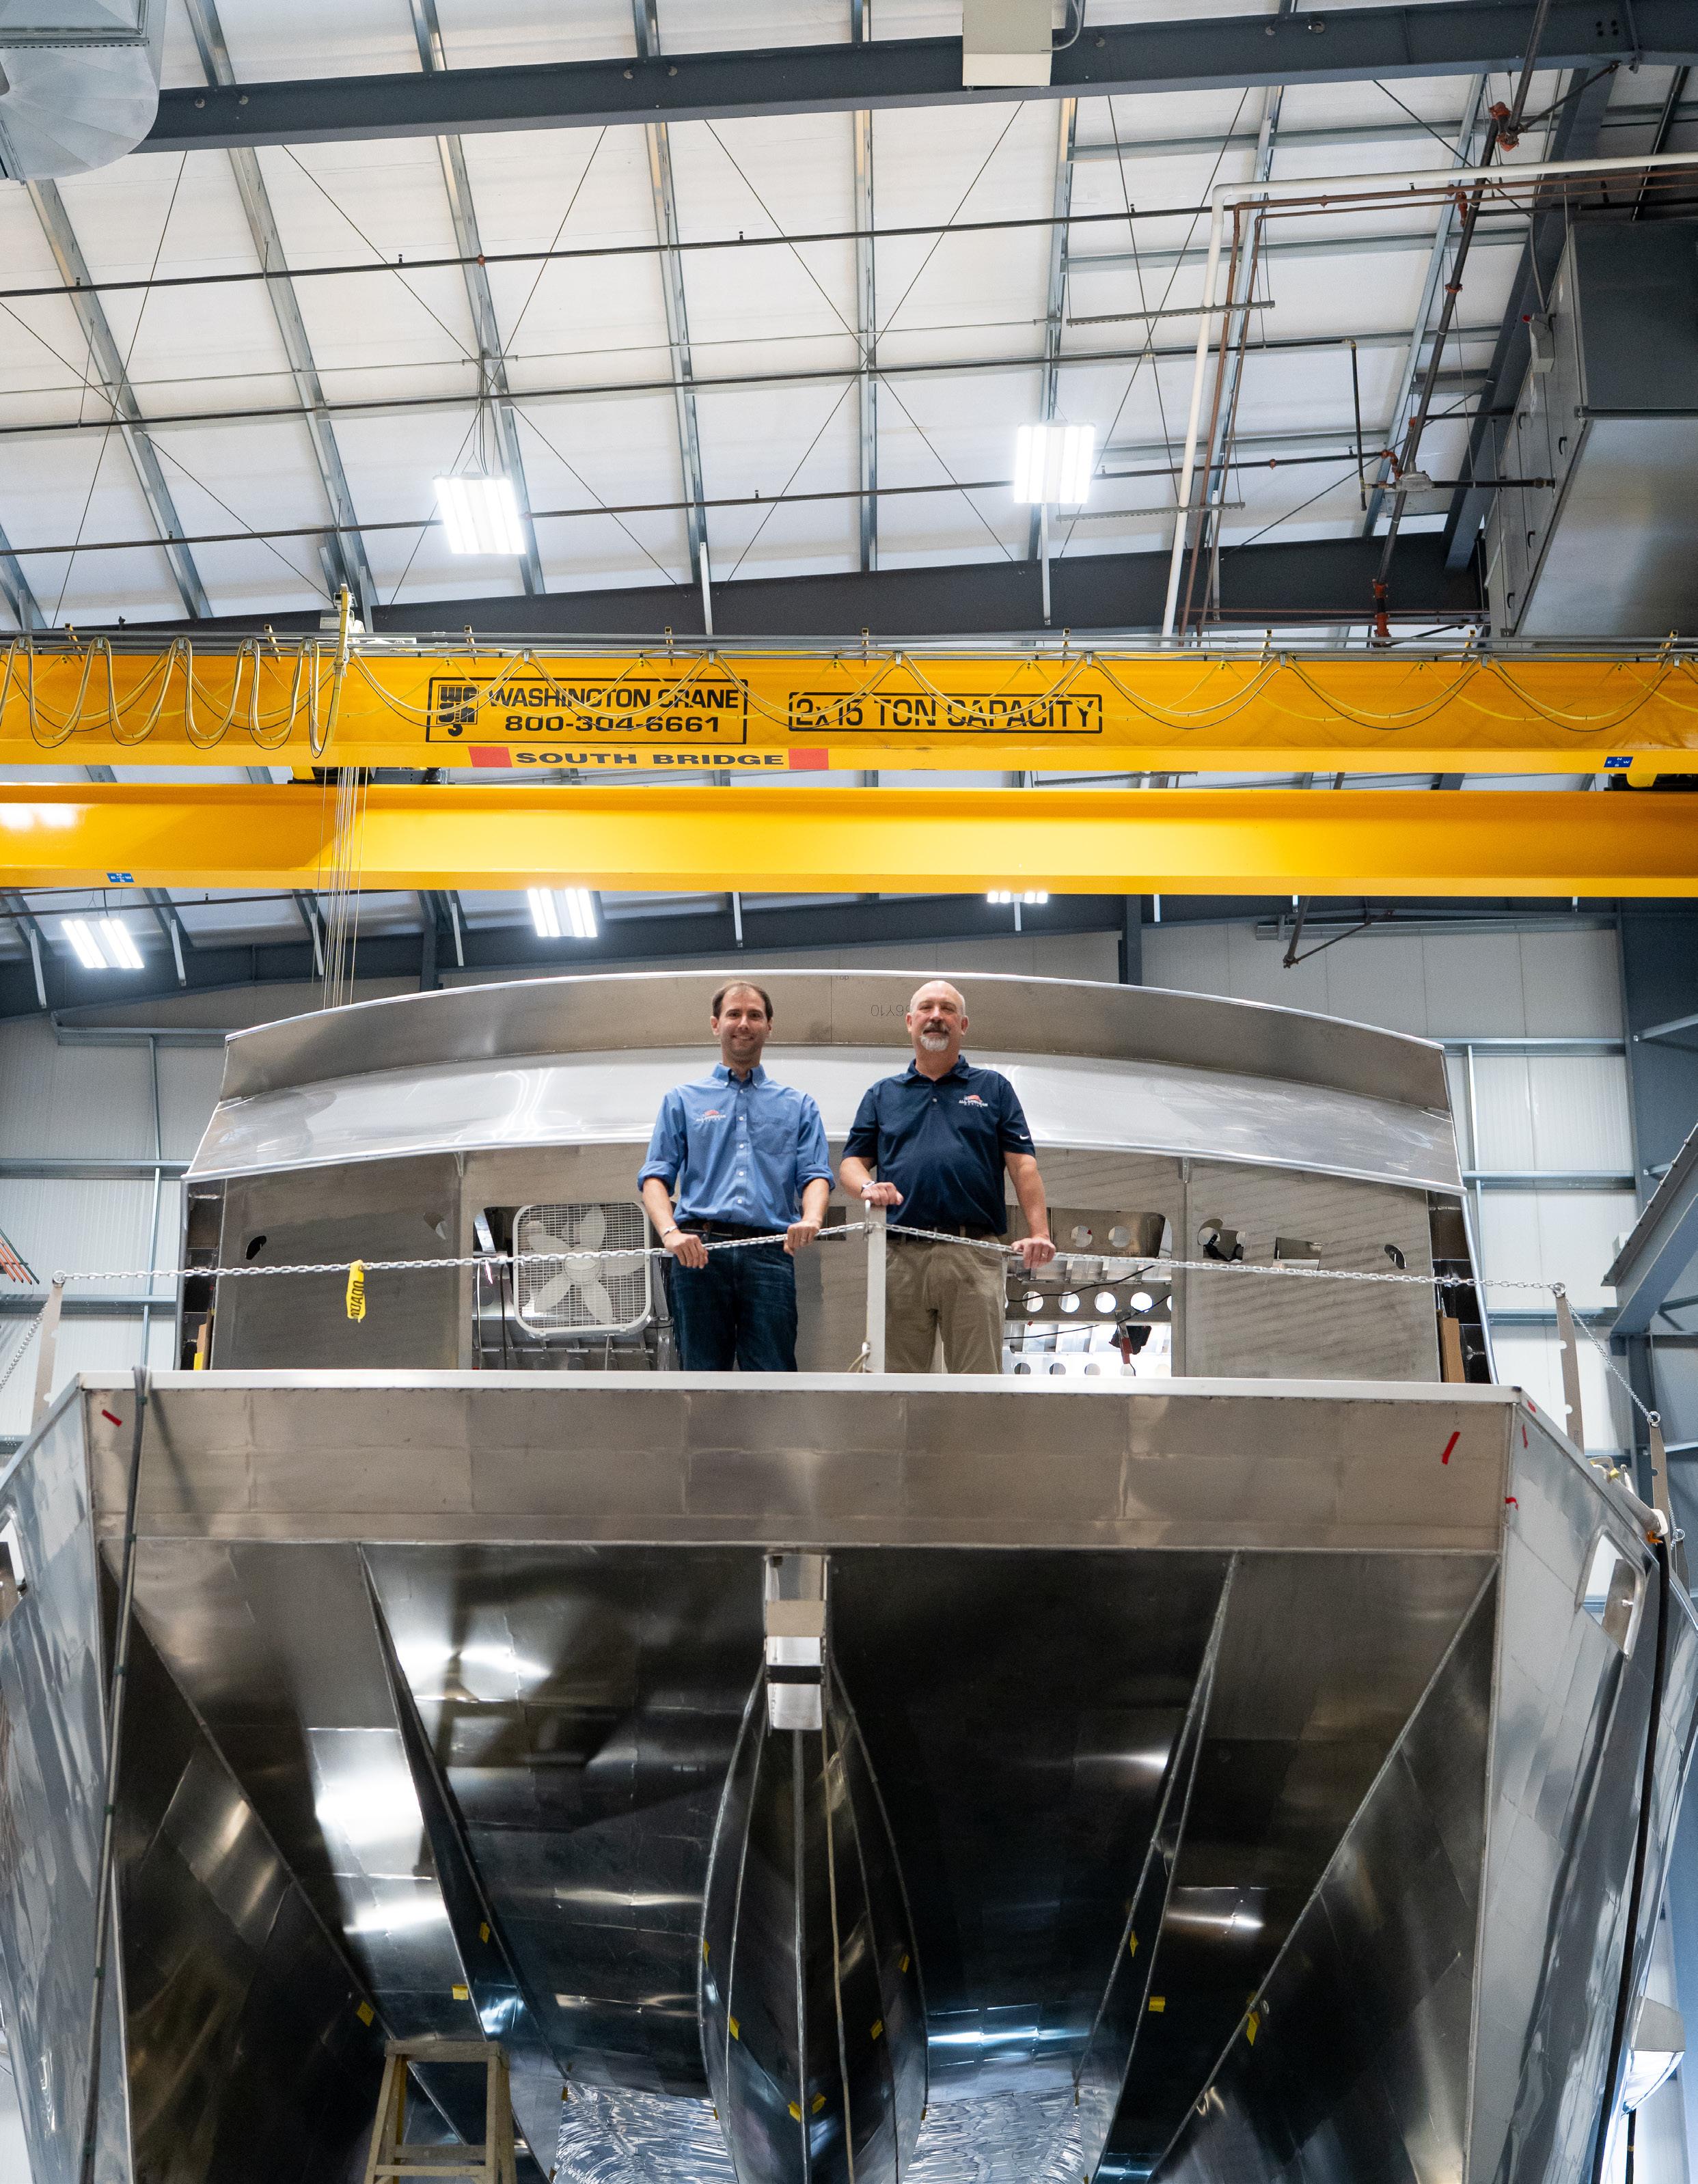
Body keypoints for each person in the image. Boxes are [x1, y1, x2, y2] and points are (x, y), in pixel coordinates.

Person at [839, 979, 1054, 1373]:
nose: (936, 1016)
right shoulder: (882, 1095)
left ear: (963, 1024)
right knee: (897, 1383)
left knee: (977, 1383)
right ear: (910, 1022)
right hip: (899, 1257)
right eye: (926, 1008)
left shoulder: (994, 1088)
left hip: (974, 1254)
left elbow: (1023, 1165)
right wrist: (868, 1187)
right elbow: (851, 1163)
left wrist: (1040, 1233)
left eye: (947, 1009)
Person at [639, 981, 832, 1371]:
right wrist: (670, 1233)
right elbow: (655, 1177)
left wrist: (812, 1219)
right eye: (734, 1014)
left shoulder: (799, 1105)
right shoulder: (682, 1100)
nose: (744, 1023)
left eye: (754, 1015)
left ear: (769, 1026)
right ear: (716, 1024)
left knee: (773, 1376)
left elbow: (815, 1174)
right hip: (698, 1254)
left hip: (770, 1253)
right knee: (702, 1378)